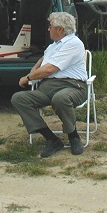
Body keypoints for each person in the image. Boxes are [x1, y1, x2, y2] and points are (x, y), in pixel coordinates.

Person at [11, 12, 88, 158]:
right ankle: (51, 139)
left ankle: (73, 136)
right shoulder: (53, 46)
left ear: (60, 29)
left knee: (60, 98)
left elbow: (50, 69)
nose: (48, 29)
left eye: (50, 26)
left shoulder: (73, 43)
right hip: (47, 87)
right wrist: (33, 73)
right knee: (19, 98)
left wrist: (27, 77)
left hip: (72, 86)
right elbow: (42, 62)